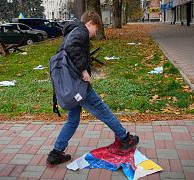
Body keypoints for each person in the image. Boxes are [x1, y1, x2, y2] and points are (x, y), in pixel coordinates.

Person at [46, 10, 139, 166]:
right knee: (102, 109)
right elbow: (72, 46)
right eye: (96, 29)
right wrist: (83, 70)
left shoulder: (70, 32)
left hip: (70, 88)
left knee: (72, 120)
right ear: (90, 23)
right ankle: (125, 138)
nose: (95, 34)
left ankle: (55, 153)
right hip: (79, 85)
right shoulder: (81, 31)